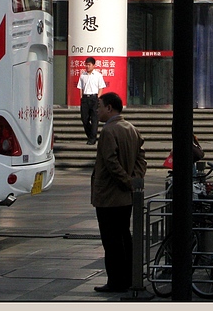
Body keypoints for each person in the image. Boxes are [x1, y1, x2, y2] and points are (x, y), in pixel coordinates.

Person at [91, 92, 147, 293]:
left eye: (99, 106)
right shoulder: (131, 128)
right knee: (124, 236)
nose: (97, 110)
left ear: (109, 108)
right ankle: (130, 277)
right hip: (126, 197)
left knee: (112, 240)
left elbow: (111, 162)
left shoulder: (108, 131)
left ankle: (116, 281)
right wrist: (135, 178)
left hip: (109, 196)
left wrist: (126, 181)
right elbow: (142, 156)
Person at [77, 57, 107, 145]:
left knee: (95, 119)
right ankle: (91, 135)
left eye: (89, 64)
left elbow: (101, 87)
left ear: (93, 65)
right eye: (86, 64)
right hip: (85, 98)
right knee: (84, 118)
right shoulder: (83, 75)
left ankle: (92, 139)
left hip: (94, 98)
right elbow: (80, 88)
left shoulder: (98, 75)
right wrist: (82, 97)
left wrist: (98, 98)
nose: (87, 66)